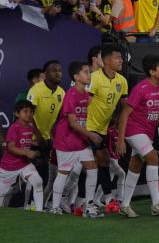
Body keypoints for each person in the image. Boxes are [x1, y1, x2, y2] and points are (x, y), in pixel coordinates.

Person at [117, 55, 159, 218]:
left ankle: (124, 205)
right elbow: (125, 113)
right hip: (133, 131)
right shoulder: (141, 88)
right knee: (153, 157)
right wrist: (120, 140)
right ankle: (156, 204)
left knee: (135, 165)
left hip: (147, 132)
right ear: (152, 72)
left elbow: (155, 108)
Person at [50, 62, 103, 218]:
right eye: (86, 72)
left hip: (80, 141)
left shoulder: (86, 95)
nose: (89, 75)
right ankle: (54, 207)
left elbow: (83, 119)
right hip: (66, 141)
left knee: (92, 168)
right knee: (63, 173)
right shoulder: (71, 95)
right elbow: (72, 123)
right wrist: (91, 135)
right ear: (76, 77)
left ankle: (89, 205)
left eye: (89, 72)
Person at [86, 44, 128, 214]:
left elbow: (125, 107)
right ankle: (104, 200)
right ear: (106, 60)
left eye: (121, 57)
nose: (122, 60)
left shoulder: (122, 81)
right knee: (98, 161)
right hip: (88, 127)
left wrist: (118, 125)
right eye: (118, 57)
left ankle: (90, 201)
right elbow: (84, 103)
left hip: (103, 129)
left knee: (98, 163)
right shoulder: (94, 78)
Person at [27, 60, 64, 201]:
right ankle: (29, 204)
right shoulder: (36, 90)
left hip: (48, 139)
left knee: (47, 176)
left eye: (59, 70)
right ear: (45, 74)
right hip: (32, 139)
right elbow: (28, 116)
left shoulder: (61, 92)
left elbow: (60, 117)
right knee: (34, 175)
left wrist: (52, 136)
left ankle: (41, 204)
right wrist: (38, 136)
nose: (58, 73)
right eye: (54, 70)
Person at [0, 100, 43, 211]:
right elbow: (11, 147)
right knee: (2, 199)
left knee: (38, 181)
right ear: (17, 113)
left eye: (31, 111)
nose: (29, 114)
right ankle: (13, 188)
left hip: (24, 164)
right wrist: (27, 152)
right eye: (25, 111)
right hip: (8, 167)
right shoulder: (14, 128)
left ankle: (40, 213)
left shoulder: (30, 126)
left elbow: (24, 142)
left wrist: (34, 144)